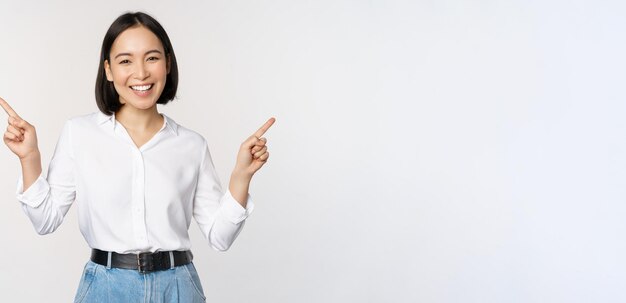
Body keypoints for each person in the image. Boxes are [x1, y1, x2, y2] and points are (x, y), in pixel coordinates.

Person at [1, 11, 274, 303]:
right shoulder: (79, 133)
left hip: (178, 287)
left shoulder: (191, 145)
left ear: (167, 63)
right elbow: (45, 221)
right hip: (105, 288)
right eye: (126, 60)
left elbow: (220, 238)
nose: (141, 73)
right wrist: (29, 157)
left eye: (152, 58)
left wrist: (241, 176)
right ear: (108, 70)